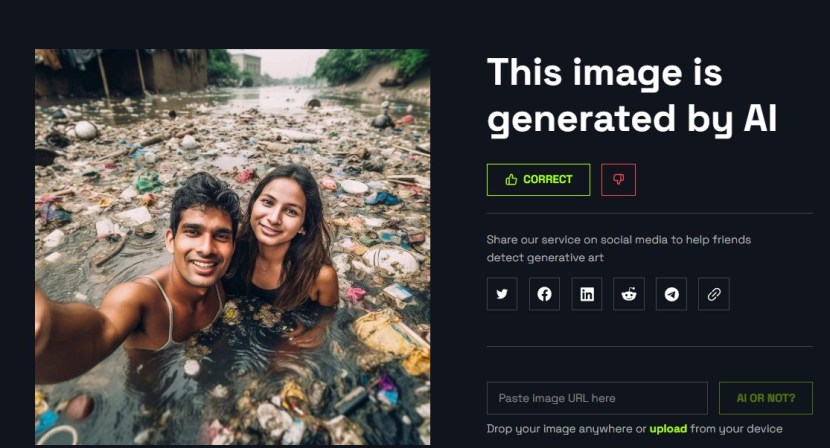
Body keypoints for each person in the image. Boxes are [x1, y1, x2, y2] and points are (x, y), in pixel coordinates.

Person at [35, 172, 242, 384]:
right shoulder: (139, 298)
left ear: (233, 246)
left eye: (221, 236)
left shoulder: (222, 276)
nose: (207, 249)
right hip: (151, 382)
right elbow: (99, 333)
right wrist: (46, 327)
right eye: (192, 232)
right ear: (171, 240)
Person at [223, 164, 338, 312]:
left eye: (291, 211)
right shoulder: (230, 251)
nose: (274, 218)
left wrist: (313, 333)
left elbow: (327, 320)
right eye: (268, 202)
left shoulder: (321, 278)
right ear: (252, 205)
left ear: (304, 225)